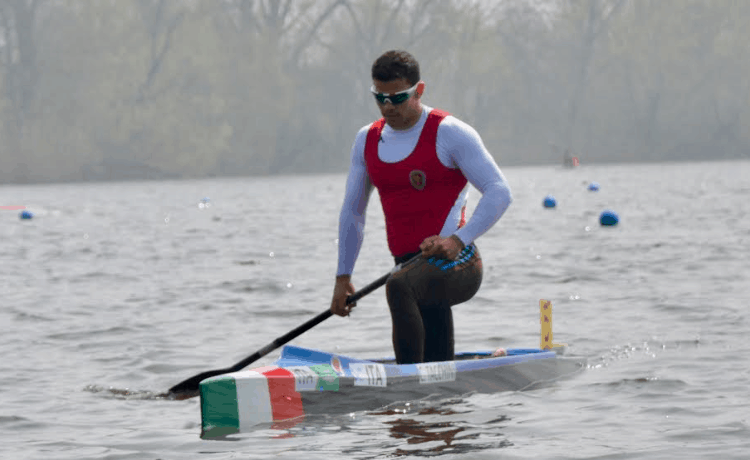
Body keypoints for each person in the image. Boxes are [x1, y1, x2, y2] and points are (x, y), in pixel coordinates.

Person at [330, 50, 513, 364]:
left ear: (419, 90)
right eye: (379, 97)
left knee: (399, 285)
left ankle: (407, 392)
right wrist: (342, 277)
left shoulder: (450, 132)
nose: (388, 106)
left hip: (458, 261)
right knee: (436, 357)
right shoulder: (366, 140)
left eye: (398, 98)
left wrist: (457, 240)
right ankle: (438, 396)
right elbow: (353, 212)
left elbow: (499, 192)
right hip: (409, 265)